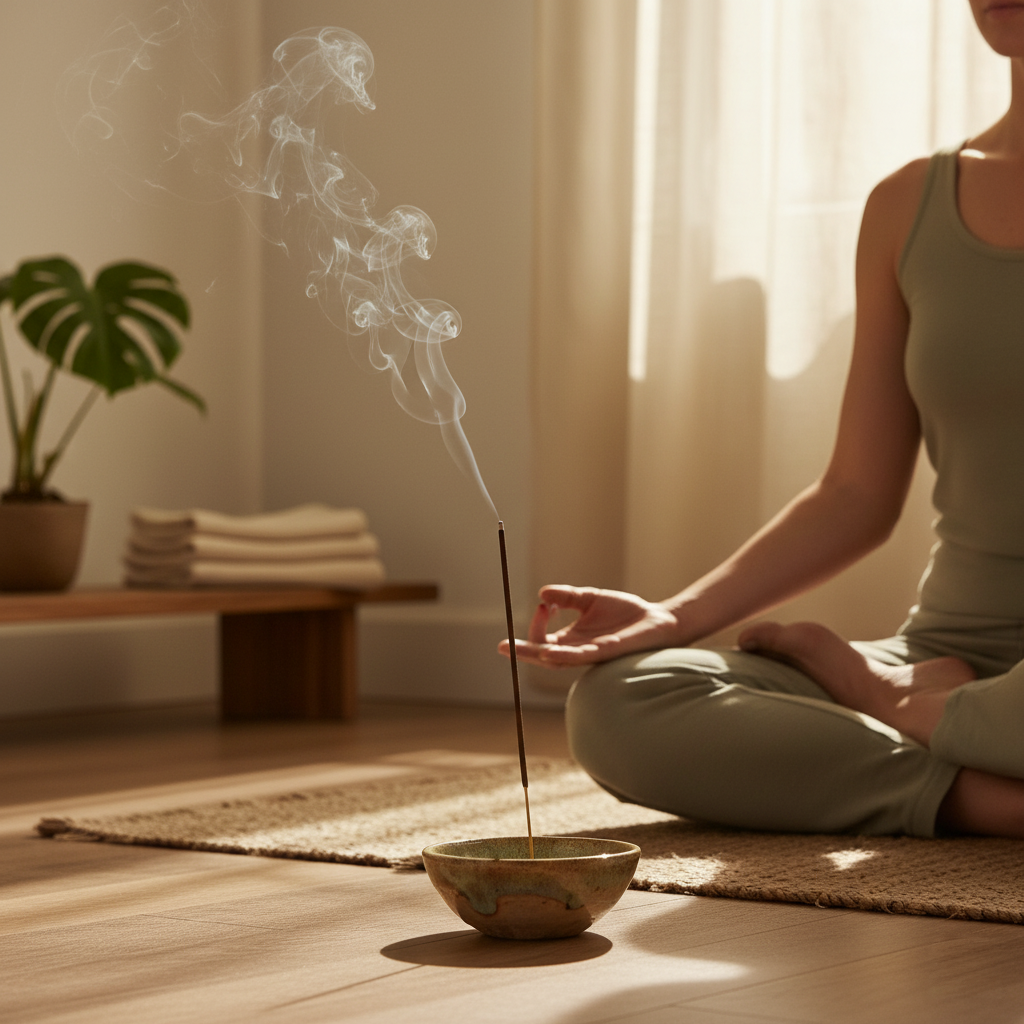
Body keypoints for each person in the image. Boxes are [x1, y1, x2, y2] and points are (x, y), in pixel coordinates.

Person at [501, 0, 1024, 840]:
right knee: (622, 702)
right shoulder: (907, 206)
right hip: (947, 652)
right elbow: (856, 490)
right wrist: (672, 618)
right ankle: (976, 783)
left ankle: (908, 716)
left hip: (945, 685)